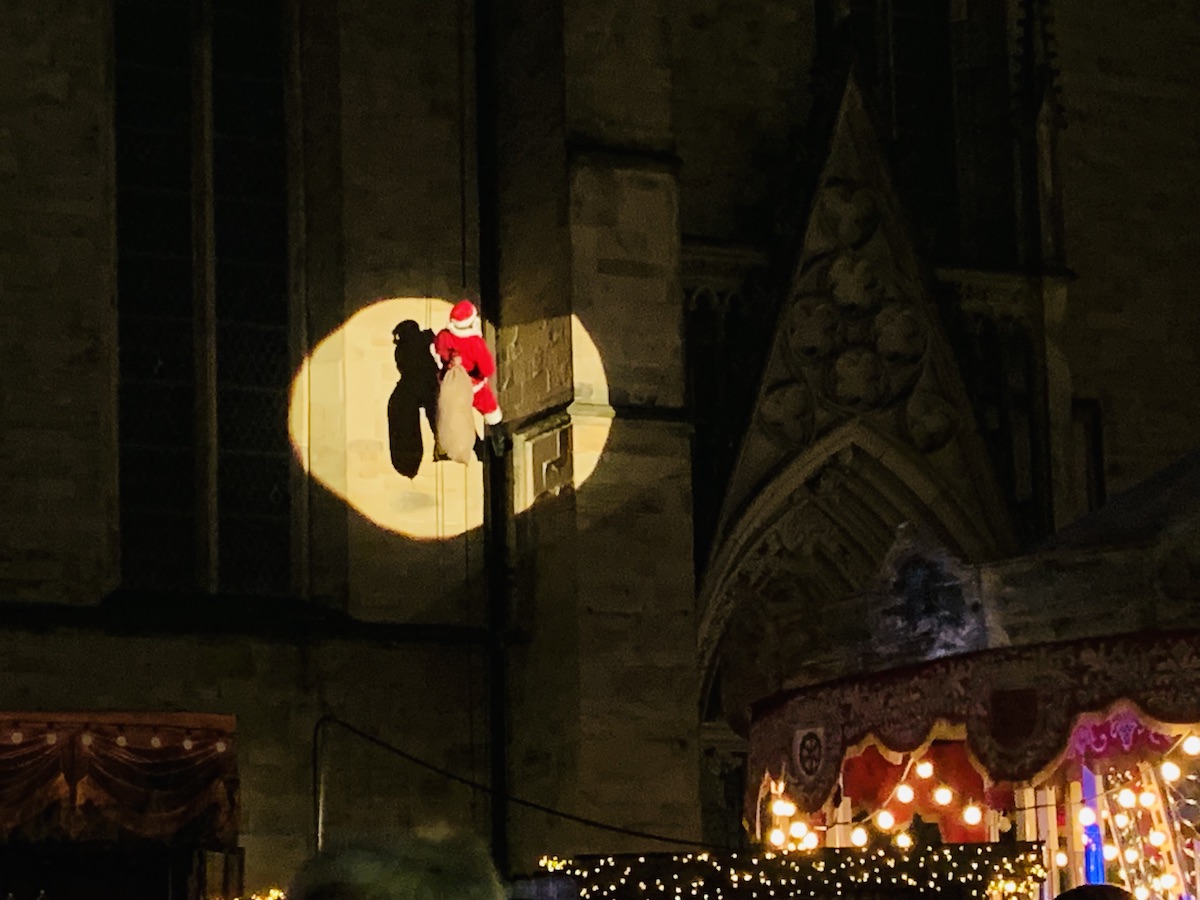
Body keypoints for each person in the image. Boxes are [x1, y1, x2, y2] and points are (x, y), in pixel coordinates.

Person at [432, 300, 506, 455]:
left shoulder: (443, 336)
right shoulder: (475, 343)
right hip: (474, 387)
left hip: (451, 385)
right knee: (490, 410)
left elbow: (437, 351)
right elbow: (488, 369)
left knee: (453, 415)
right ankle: (500, 447)